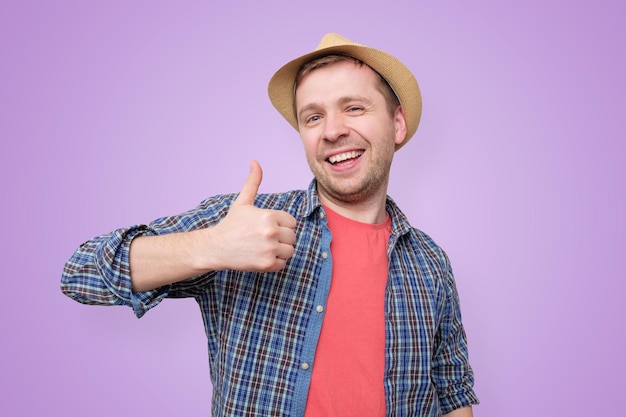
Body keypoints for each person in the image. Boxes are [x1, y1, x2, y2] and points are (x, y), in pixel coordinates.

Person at [61, 33, 479, 416]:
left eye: (353, 107)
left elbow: (453, 391)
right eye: (313, 117)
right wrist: (212, 246)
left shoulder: (430, 263)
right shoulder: (245, 224)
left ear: (397, 123)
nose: (332, 131)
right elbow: (82, 273)